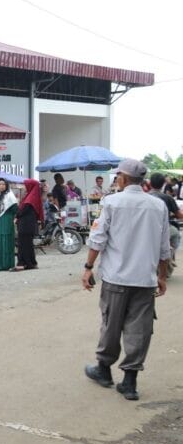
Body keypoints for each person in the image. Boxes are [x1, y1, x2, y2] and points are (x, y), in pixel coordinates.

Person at [83, 159, 170, 401]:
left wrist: (88, 267)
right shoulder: (157, 206)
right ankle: (130, 382)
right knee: (140, 329)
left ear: (122, 178)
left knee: (111, 323)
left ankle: (104, 370)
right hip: (145, 279)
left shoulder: (111, 202)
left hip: (116, 277)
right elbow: (164, 247)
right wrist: (161, 276)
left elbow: (97, 239)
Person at [148, 173, 182, 272]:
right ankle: (170, 253)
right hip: (163, 228)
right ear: (163, 184)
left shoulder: (144, 197)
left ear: (150, 183)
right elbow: (179, 215)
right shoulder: (167, 198)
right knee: (176, 234)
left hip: (145, 228)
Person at [13, 179, 42, 271]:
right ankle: (30, 263)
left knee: (23, 244)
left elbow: (22, 211)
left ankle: (22, 263)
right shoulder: (32, 196)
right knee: (28, 244)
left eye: (26, 185)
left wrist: (16, 215)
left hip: (25, 225)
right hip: (28, 225)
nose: (25, 187)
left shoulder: (30, 199)